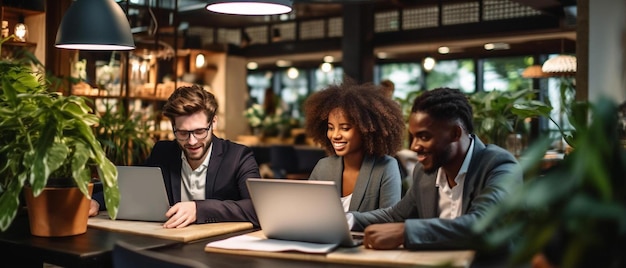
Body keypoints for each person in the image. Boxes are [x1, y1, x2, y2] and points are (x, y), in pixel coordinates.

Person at [352, 87, 523, 250]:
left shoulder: (499, 166)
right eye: (413, 137)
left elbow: (484, 224)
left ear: (455, 133)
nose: (414, 147)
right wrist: (348, 219)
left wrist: (405, 232)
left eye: (424, 137)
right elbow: (395, 216)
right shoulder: (425, 172)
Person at [90, 85, 261, 228]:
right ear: (173, 127)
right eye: (182, 133)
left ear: (213, 122)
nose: (192, 141)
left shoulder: (238, 156)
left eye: (200, 131)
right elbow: (133, 190)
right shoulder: (163, 152)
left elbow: (257, 208)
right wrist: (97, 202)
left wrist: (199, 209)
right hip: (172, 245)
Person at [303, 79, 406, 212]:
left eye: (345, 128)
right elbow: (307, 211)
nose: (335, 135)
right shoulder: (323, 167)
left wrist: (349, 220)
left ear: (366, 130)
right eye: (330, 128)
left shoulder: (386, 167)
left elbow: (389, 216)